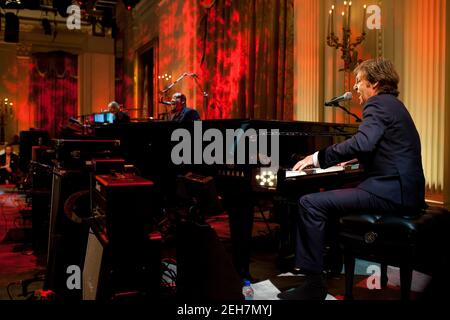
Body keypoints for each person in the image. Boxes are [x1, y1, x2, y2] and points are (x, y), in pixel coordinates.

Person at [277, 58, 426, 300]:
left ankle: (313, 284)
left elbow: (363, 142)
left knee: (310, 203)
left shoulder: (377, 104)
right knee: (330, 202)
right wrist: (351, 162)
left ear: (375, 83)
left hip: (390, 192)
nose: (355, 87)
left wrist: (317, 158)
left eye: (359, 81)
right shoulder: (394, 105)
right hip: (405, 191)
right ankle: (332, 263)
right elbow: (381, 149)